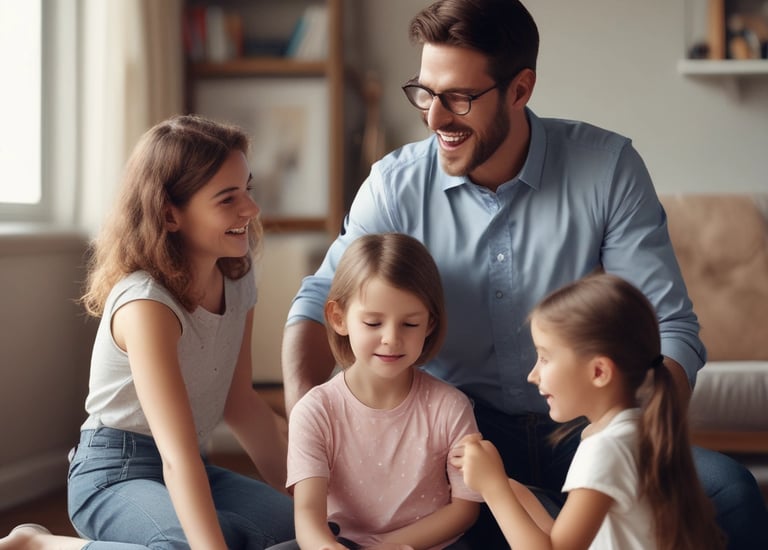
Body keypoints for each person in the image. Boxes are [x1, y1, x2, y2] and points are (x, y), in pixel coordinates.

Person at [280, 1, 768, 548]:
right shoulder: (393, 186)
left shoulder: (606, 169)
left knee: (728, 493)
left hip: (591, 423)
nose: (435, 117)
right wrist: (310, 431)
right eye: (425, 92)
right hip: (457, 435)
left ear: (520, 89)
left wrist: (636, 442)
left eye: (459, 98)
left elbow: (669, 328)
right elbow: (320, 299)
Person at [0, 115, 294, 550]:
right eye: (227, 198)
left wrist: (313, 507)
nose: (250, 209)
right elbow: (174, 457)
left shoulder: (237, 276)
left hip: (192, 462)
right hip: (112, 472)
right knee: (183, 546)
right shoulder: (146, 305)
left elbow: (242, 404)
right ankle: (41, 545)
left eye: (247, 189)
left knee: (301, 532)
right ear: (169, 214)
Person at [450, 273, 726, 550]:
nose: (533, 375)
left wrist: (494, 488)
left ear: (598, 371)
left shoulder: (606, 449)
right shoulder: (630, 431)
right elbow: (569, 538)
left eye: (545, 358)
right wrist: (509, 488)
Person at [269, 233, 482, 550]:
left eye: (409, 324)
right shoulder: (315, 410)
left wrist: (388, 547)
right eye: (372, 323)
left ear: (430, 324)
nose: (391, 339)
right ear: (338, 318)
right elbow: (308, 521)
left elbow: (465, 510)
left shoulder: (450, 407)